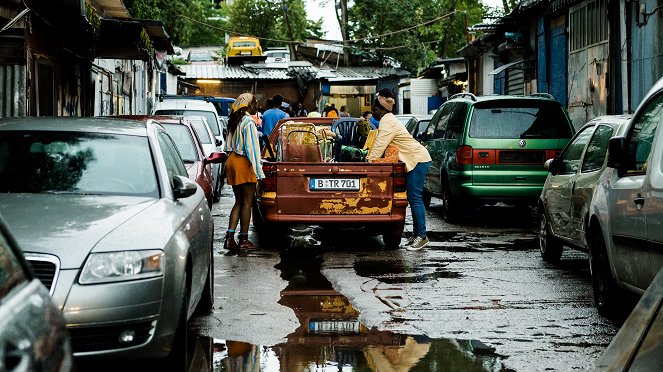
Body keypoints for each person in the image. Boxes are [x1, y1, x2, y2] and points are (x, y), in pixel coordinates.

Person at [366, 88, 432, 251]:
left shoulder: (387, 121)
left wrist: (368, 161)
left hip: (417, 159)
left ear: (381, 109)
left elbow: (380, 144)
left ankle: (421, 237)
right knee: (413, 198)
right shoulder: (389, 119)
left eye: (375, 109)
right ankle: (418, 235)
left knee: (415, 198)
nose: (373, 112)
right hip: (416, 159)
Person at [224, 93, 265, 251]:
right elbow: (252, 149)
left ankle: (229, 238)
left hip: (232, 160)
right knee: (248, 203)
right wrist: (259, 173)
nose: (256, 107)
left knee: (239, 202)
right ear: (248, 105)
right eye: (255, 104)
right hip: (243, 162)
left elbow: (227, 146)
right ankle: (243, 239)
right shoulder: (248, 122)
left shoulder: (234, 120)